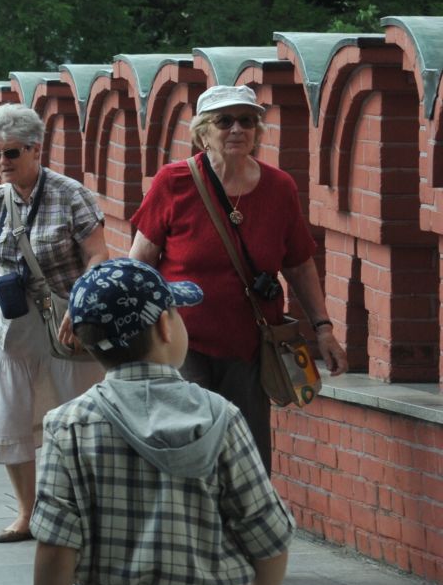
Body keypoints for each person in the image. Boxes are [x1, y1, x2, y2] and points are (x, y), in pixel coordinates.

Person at [32, 258, 294, 585]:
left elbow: (55, 550)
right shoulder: (221, 417)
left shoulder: (69, 425)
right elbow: (270, 536)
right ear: (164, 325)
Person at [128, 85, 344, 471]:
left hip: (251, 344)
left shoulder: (279, 188)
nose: (236, 130)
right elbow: (140, 263)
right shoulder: (173, 182)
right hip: (181, 342)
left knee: (247, 450)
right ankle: (196, 526)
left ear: (258, 131)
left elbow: (298, 264)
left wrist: (323, 328)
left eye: (247, 121)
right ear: (203, 132)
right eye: (224, 121)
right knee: (191, 442)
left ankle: (245, 527)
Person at [0, 105, 105, 542]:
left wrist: (80, 310)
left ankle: (81, 512)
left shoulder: (69, 193)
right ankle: (28, 513)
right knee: (9, 415)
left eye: (12, 153)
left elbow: (98, 255)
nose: (2, 163)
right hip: (9, 323)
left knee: (75, 415)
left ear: (36, 149)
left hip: (64, 320)